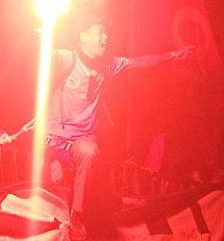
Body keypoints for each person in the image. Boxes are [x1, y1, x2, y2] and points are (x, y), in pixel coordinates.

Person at [45, 15, 193, 229]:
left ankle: (77, 215)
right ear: (83, 36)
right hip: (53, 136)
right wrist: (39, 36)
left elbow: (140, 63)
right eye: (100, 32)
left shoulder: (109, 64)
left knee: (88, 152)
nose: (105, 38)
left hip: (81, 138)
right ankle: (41, 216)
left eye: (107, 33)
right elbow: (40, 57)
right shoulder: (66, 59)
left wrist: (172, 55)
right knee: (50, 177)